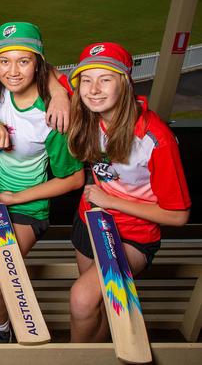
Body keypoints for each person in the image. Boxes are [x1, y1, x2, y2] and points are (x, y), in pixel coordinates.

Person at [0, 22, 84, 343]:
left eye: (24, 61)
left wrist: (15, 198)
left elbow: (74, 178)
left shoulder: (53, 113)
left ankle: (1, 328)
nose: (12, 71)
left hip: (22, 206)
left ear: (38, 64)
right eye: (4, 61)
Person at [66, 42, 191, 343]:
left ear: (124, 83)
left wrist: (111, 200)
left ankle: (71, 359)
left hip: (133, 236)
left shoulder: (156, 140)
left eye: (105, 79)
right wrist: (59, 95)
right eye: (86, 80)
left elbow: (178, 215)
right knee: (99, 305)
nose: (94, 89)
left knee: (82, 299)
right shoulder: (91, 118)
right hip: (92, 221)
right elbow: (39, 73)